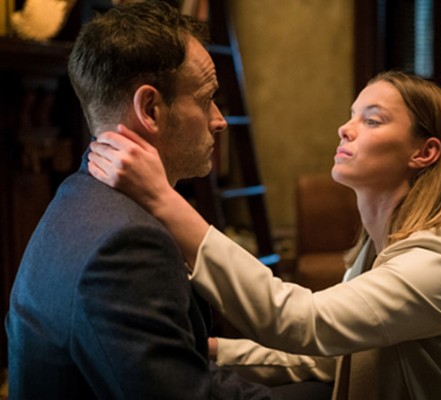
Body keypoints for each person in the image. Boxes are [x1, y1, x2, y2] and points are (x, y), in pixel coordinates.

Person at [88, 70, 441, 399]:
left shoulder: (439, 263)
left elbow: (303, 321)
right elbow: (333, 358)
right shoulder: (375, 252)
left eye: (372, 120)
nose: (345, 128)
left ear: (424, 153)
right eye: (352, 115)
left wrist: (162, 198)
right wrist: (215, 350)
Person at [4, 1, 277, 398]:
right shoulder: (126, 243)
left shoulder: (79, 194)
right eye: (206, 99)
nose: (219, 120)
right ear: (150, 109)